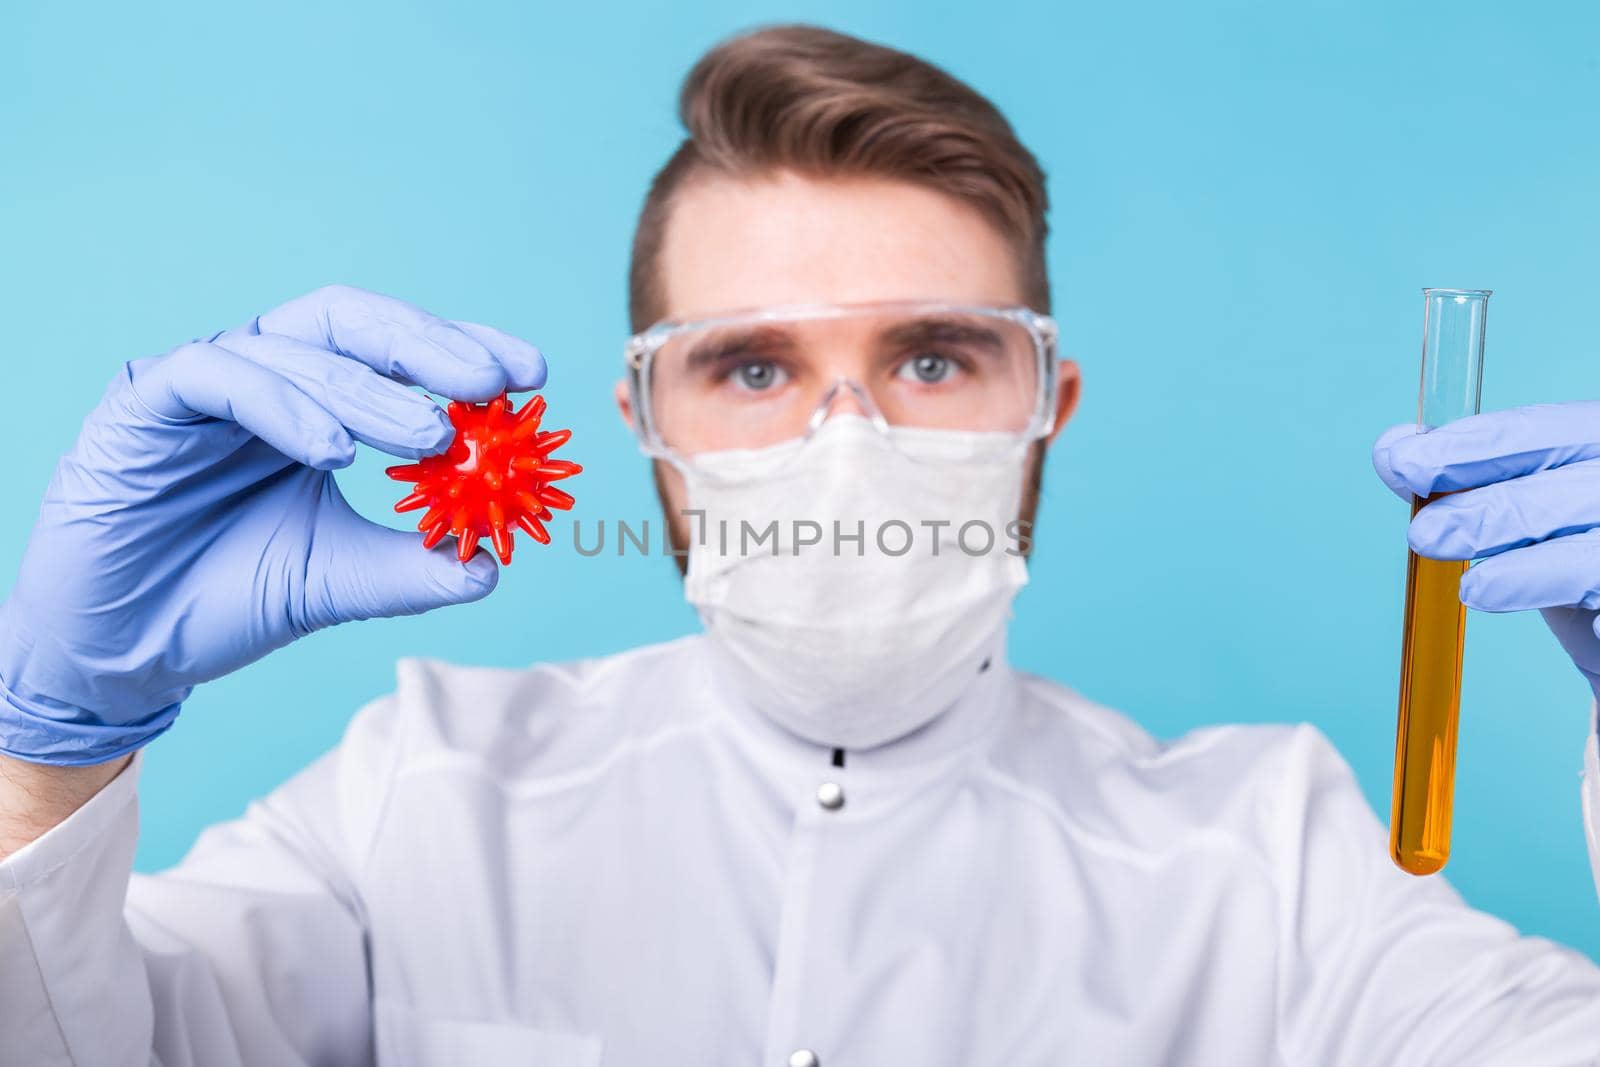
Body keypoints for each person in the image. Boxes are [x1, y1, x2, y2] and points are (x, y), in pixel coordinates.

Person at [2, 23, 1599, 1066]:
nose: (850, 445)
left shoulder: (1275, 867)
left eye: (932, 356)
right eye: (753, 366)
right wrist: (42, 769)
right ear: (645, 420)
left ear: (1048, 403)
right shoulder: (416, 790)